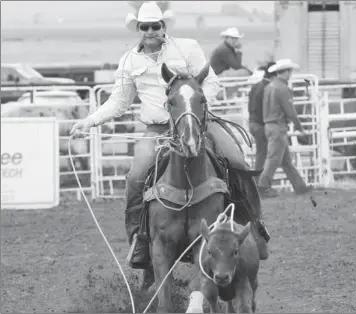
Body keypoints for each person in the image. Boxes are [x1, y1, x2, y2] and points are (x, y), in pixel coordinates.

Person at [70, 1, 269, 272]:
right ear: (138, 28)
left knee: (238, 163)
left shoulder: (187, 47)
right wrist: (89, 121)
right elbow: (119, 101)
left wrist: (193, 107)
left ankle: (255, 227)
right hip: (158, 130)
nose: (151, 31)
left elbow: (211, 82)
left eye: (156, 25)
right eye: (145, 26)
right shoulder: (130, 60)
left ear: (164, 26)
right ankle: (140, 239)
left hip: (197, 121)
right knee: (136, 177)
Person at [257, 59, 313, 198]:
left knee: (285, 160)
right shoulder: (283, 88)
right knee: (274, 159)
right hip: (278, 127)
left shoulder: (269, 87)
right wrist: (300, 128)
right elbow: (290, 111)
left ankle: (300, 186)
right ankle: (263, 186)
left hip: (269, 125)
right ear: (286, 72)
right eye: (290, 71)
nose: (291, 74)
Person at [248, 62, 276, 188]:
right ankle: (259, 184)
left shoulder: (256, 86)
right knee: (262, 154)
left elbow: (250, 106)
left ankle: (258, 183)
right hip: (261, 124)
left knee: (261, 154)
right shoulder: (267, 87)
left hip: (253, 123)